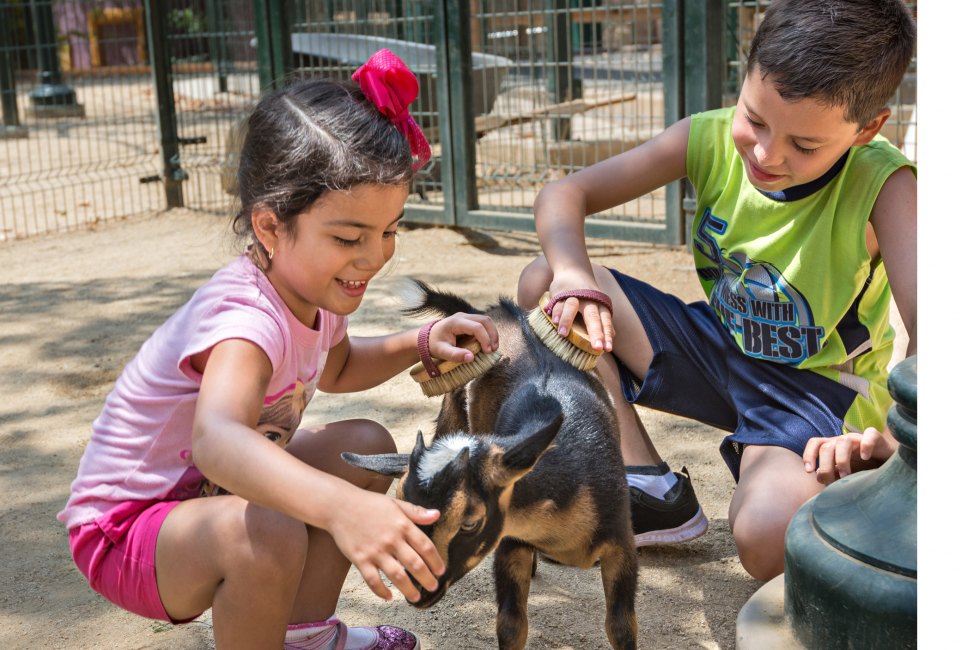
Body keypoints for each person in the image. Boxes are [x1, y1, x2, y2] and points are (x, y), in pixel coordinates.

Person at [57, 50, 499, 650]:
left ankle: (303, 636)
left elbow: (338, 367)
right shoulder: (245, 319)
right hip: (127, 535)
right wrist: (343, 510)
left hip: (204, 506)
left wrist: (417, 342)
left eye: (390, 230)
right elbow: (218, 442)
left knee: (363, 446)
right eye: (349, 237)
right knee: (269, 527)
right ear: (269, 227)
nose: (375, 256)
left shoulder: (311, 291)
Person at [518, 0, 916, 581]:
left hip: (816, 392)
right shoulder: (705, 137)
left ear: (868, 129)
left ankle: (838, 486)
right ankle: (644, 481)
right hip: (720, 347)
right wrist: (576, 275)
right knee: (547, 282)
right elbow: (563, 196)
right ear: (744, 78)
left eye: (804, 146)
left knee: (765, 539)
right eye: (755, 119)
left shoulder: (885, 184)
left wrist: (896, 445)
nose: (766, 154)